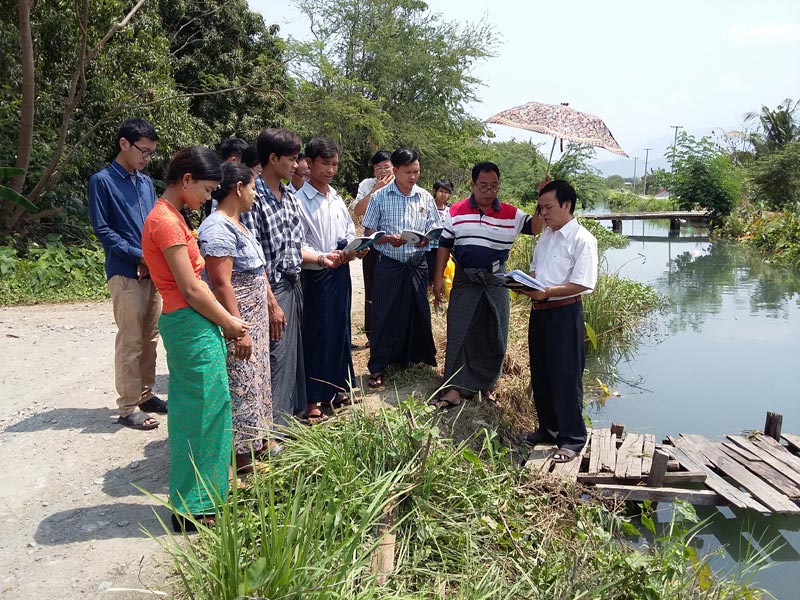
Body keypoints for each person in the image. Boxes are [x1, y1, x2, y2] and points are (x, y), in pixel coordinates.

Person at [141, 146, 250, 531]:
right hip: (190, 322)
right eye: (206, 190)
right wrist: (231, 323)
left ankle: (210, 495)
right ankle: (194, 507)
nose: (209, 198)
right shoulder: (166, 223)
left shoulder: (170, 216)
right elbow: (192, 288)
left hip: (191, 323)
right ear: (186, 180)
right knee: (201, 414)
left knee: (208, 409)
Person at [433, 162, 535, 407]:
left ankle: (486, 387)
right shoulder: (456, 211)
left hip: (496, 281)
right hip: (465, 280)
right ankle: (454, 389)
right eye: (483, 186)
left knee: (494, 334)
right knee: (460, 331)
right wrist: (437, 278)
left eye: (494, 186)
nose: (489, 191)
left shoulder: (512, 214)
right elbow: (444, 245)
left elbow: (538, 227)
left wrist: (543, 199)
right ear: (472, 185)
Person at [88, 118, 166, 430]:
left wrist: (156, 256)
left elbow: (154, 223)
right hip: (125, 272)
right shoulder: (102, 181)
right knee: (131, 339)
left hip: (152, 271)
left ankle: (146, 394)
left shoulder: (145, 182)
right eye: (143, 151)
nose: (146, 158)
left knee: (150, 337)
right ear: (124, 144)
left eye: (150, 153)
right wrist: (139, 255)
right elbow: (103, 230)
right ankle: (128, 406)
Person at [198, 162, 274, 474]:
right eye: (253, 188)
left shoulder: (239, 224)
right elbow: (221, 283)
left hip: (253, 319)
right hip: (239, 321)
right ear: (239, 188)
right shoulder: (216, 228)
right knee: (240, 381)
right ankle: (241, 456)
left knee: (256, 378)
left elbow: (256, 270)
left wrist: (269, 303)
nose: (256, 195)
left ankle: (259, 441)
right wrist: (238, 329)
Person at [519, 180, 598, 463]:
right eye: (541, 208)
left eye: (549, 207)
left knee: (566, 375)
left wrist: (547, 292)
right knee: (541, 372)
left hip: (564, 313)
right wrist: (524, 285)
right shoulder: (546, 237)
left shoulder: (582, 239)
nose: (544, 214)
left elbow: (583, 283)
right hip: (540, 312)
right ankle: (548, 429)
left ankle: (572, 438)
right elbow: (535, 270)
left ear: (567, 205)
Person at [241, 129, 313, 423]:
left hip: (294, 284)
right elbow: (252, 258)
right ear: (272, 158)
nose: (296, 166)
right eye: (292, 159)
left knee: (293, 354)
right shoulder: (251, 199)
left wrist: (322, 257)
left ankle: (290, 418)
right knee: (275, 357)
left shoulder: (291, 197)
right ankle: (273, 430)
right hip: (270, 289)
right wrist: (270, 302)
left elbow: (297, 246)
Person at [362, 147, 442, 388]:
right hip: (390, 262)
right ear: (395, 171)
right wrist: (387, 238)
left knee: (416, 310)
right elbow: (368, 232)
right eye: (408, 172)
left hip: (416, 262)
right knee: (384, 312)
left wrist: (428, 239)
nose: (413, 177)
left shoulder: (425, 197)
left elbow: (435, 230)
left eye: (416, 171)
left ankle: (414, 357)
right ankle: (378, 366)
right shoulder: (380, 197)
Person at [295, 137, 366, 409]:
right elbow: (296, 245)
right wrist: (323, 257)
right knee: (315, 334)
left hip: (340, 272)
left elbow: (348, 232)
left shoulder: (335, 197)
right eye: (325, 164)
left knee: (339, 330)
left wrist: (356, 248)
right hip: (314, 274)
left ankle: (339, 387)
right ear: (309, 163)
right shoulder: (299, 201)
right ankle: (313, 399)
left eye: (334, 164)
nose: (330, 170)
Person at [353, 150, 394, 342]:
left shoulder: (400, 184)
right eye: (378, 168)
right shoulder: (367, 184)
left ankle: (389, 331)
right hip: (371, 244)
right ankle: (371, 333)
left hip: (393, 244)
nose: (383, 171)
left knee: (390, 289)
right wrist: (375, 189)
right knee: (371, 288)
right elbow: (358, 211)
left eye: (386, 166)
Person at [426, 179, 453, 284]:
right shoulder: (427, 208)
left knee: (443, 273)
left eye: (447, 192)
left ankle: (439, 297)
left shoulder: (450, 211)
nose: (444, 195)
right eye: (441, 191)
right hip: (429, 248)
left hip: (443, 248)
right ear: (434, 191)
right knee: (429, 274)